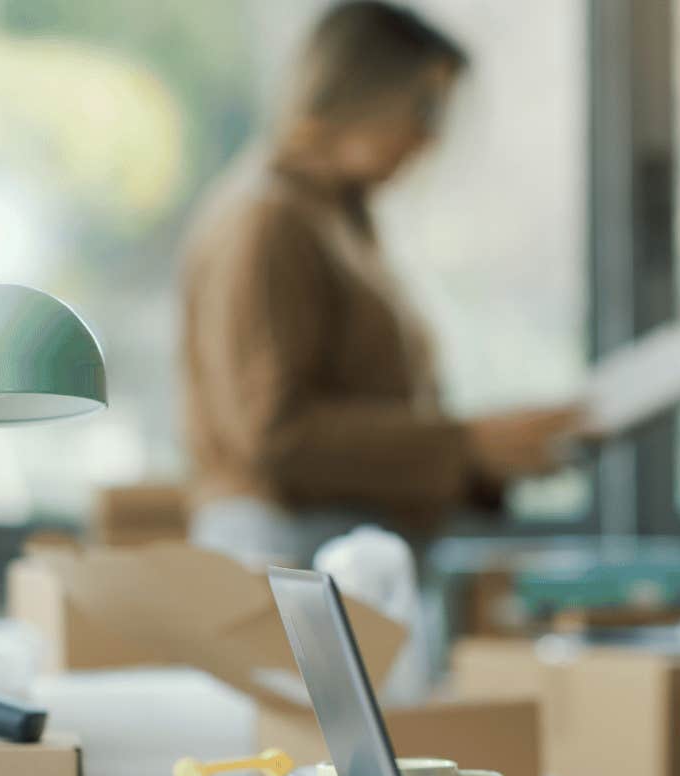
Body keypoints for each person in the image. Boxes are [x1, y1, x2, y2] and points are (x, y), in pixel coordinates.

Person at [178, 0, 581, 565]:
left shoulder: (338, 219)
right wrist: (467, 445)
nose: (428, 138)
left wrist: (493, 455)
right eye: (423, 108)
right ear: (359, 90)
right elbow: (275, 434)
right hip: (293, 549)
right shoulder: (268, 221)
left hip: (346, 546)